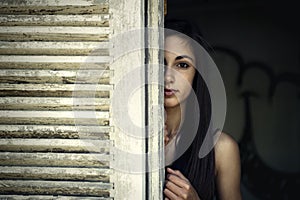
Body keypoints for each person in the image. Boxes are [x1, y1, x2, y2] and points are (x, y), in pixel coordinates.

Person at [163, 19, 242, 200]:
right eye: (161, 61)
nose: (168, 76)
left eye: (182, 65)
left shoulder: (222, 149)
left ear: (197, 73)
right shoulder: (130, 139)